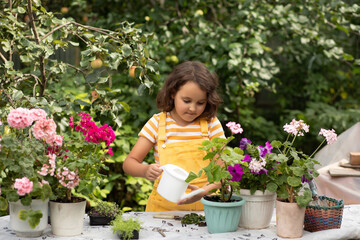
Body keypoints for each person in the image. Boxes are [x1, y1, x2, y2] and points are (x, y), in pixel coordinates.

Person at [123, 61, 225, 212]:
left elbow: (222, 172)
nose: (192, 108)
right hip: (162, 212)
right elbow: (129, 163)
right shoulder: (157, 123)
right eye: (186, 101)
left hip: (206, 209)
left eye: (200, 103)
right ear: (172, 93)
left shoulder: (211, 124)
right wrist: (145, 170)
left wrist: (203, 191)